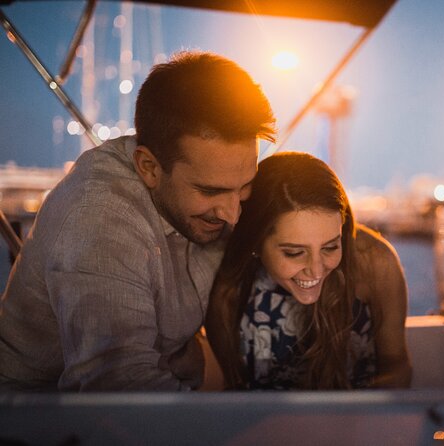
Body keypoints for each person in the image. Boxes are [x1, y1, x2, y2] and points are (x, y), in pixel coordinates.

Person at [0, 51, 276, 391]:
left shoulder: (215, 186)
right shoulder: (98, 218)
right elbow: (119, 389)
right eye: (209, 191)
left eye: (245, 186)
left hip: (182, 368)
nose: (232, 214)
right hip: (39, 420)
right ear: (149, 167)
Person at [205, 152, 412, 390]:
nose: (316, 269)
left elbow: (397, 369)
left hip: (355, 424)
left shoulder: (375, 263)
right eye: (294, 253)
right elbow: (231, 385)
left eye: (331, 247)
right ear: (256, 243)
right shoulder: (225, 278)